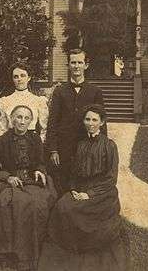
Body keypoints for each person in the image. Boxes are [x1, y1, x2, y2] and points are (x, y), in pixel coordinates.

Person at [39, 104, 129, 271]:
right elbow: (75, 173)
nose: (90, 123)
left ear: (102, 122)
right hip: (80, 188)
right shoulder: (81, 144)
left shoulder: (110, 145)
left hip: (102, 192)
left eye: (95, 119)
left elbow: (111, 178)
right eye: (87, 119)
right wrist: (74, 189)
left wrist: (90, 194)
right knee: (62, 206)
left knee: (80, 212)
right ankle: (69, 250)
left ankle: (87, 248)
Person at [0, 105, 57, 271]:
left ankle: (34, 252)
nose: (22, 121)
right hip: (10, 181)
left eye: (26, 118)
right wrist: (8, 177)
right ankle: (11, 253)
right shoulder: (2, 140)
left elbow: (40, 162)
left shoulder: (35, 139)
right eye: (19, 117)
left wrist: (40, 170)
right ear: (11, 119)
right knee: (11, 203)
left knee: (38, 203)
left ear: (31, 121)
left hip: (32, 180)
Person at [46, 48, 106, 195]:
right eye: (73, 62)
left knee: (84, 181)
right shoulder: (60, 91)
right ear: (68, 65)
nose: (76, 66)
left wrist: (102, 146)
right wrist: (53, 150)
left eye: (80, 62)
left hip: (86, 145)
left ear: (86, 65)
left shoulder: (95, 91)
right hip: (64, 147)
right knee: (63, 184)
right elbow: (52, 121)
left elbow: (101, 122)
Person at [0, 62, 49, 148]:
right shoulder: (4, 101)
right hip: (10, 145)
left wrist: (39, 144)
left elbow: (45, 128)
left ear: (29, 78)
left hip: (32, 144)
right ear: (12, 79)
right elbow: (2, 127)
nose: (19, 79)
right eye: (16, 77)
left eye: (22, 75)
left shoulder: (39, 101)